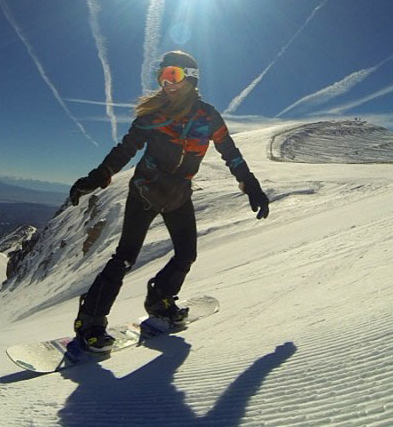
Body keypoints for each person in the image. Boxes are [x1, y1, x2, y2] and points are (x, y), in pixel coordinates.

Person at [67, 50, 270, 352]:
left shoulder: (208, 117)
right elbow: (126, 149)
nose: (166, 83)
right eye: (161, 76)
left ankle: (160, 299)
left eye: (172, 75)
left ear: (191, 78)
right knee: (124, 258)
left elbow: (229, 151)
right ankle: (90, 322)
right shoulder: (153, 116)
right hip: (145, 193)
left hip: (178, 196)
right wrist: (97, 177)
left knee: (186, 254)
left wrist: (250, 183)